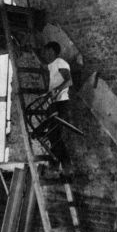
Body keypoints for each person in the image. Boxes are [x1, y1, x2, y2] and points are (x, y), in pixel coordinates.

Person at [43, 41, 73, 171]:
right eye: (45, 52)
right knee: (52, 134)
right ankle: (56, 163)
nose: (46, 55)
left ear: (54, 52)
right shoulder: (53, 64)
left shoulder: (60, 62)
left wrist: (57, 90)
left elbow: (69, 81)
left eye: (48, 52)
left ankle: (65, 165)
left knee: (54, 135)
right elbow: (44, 65)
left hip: (61, 103)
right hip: (54, 103)